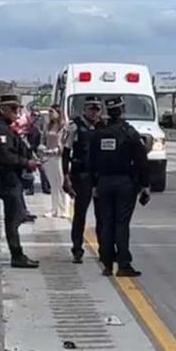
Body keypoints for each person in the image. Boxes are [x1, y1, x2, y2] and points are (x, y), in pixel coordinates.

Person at [89, 96, 151, 277]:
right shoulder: (129, 132)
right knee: (121, 224)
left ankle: (107, 265)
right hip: (124, 183)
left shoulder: (99, 133)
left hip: (103, 183)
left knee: (106, 223)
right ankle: (123, 264)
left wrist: (94, 184)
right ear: (122, 109)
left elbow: (91, 161)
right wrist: (145, 185)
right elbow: (142, 161)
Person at [0, 94, 41, 268]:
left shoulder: (5, 128)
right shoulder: (0, 130)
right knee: (12, 220)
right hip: (7, 178)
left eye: (18, 108)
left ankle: (18, 254)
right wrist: (26, 162)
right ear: (3, 109)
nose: (17, 112)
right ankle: (17, 255)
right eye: (14, 109)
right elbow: (5, 156)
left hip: (12, 177)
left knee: (16, 217)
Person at [62, 97, 102, 263]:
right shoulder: (74, 127)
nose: (94, 112)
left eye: (97, 109)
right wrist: (66, 177)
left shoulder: (102, 127)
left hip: (99, 177)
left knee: (102, 215)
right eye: (91, 109)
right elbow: (66, 153)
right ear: (85, 110)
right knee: (80, 214)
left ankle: (104, 248)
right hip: (81, 176)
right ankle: (77, 249)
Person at [42, 105, 67, 218]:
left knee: (60, 183)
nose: (50, 114)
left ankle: (64, 209)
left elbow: (64, 142)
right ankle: (54, 209)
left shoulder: (63, 127)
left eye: (52, 112)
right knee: (53, 185)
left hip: (58, 157)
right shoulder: (47, 126)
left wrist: (57, 149)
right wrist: (42, 149)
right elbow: (42, 140)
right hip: (48, 157)